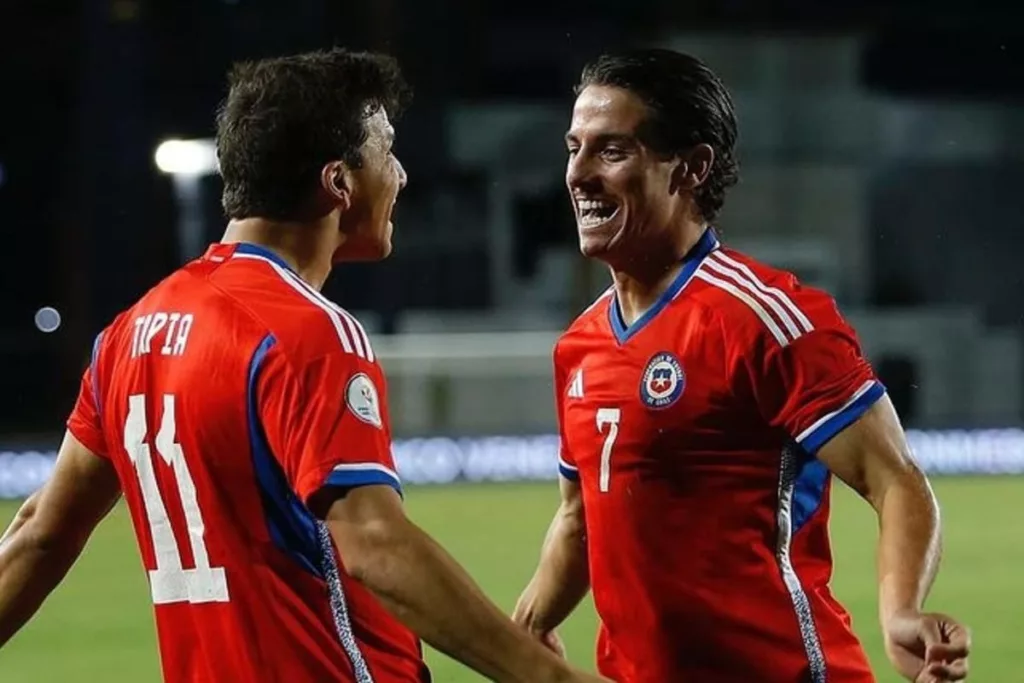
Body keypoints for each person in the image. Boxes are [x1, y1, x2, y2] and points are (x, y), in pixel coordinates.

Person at [0, 48, 608, 683]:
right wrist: (547, 676)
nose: (400, 175)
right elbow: (374, 544)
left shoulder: (128, 335)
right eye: (386, 152)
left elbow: (40, 533)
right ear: (338, 182)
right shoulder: (306, 331)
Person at [513, 48, 971, 683]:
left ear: (691, 168)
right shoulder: (579, 345)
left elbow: (894, 479)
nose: (578, 174)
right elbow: (580, 517)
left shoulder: (767, 318)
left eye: (612, 151)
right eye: (574, 147)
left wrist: (901, 612)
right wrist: (529, 625)